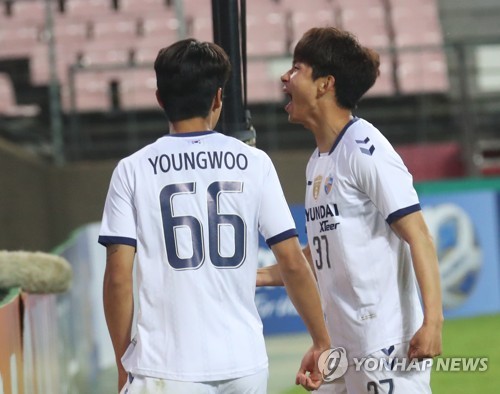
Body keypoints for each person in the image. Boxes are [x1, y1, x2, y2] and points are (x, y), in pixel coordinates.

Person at [99, 38, 330, 394]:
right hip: (244, 365)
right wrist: (322, 343)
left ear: (160, 100)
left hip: (165, 369)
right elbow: (293, 264)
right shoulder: (255, 163)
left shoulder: (132, 170)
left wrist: (121, 363)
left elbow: (118, 278)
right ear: (218, 98)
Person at [257, 27, 443, 393]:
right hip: (344, 350)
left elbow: (418, 235)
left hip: (385, 346)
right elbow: (322, 255)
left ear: (325, 84)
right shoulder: (319, 162)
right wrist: (251, 275)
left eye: (296, 68)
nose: (285, 77)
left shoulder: (366, 149)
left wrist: (433, 322)